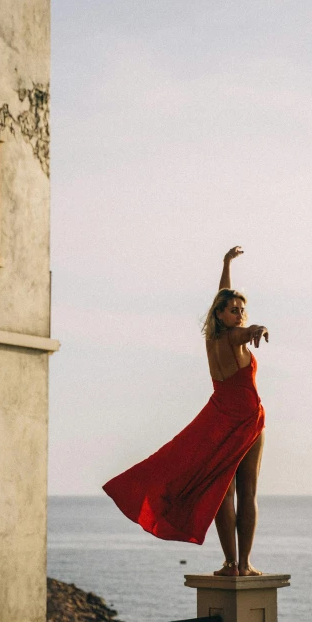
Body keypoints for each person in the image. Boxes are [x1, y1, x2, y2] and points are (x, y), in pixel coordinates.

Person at [102, 246, 269, 577]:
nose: (239, 314)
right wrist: (256, 330)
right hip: (246, 421)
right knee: (243, 492)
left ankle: (232, 564)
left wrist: (226, 265)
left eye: (242, 310)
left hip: (220, 421)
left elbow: (223, 300)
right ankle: (242, 564)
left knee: (224, 490)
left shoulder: (212, 337)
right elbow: (244, 331)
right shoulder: (235, 337)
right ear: (220, 315)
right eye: (234, 310)